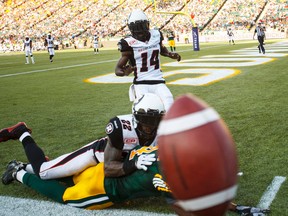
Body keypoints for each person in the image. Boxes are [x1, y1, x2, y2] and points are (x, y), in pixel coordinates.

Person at [1, 144, 269, 215]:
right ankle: (20, 173)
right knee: (65, 196)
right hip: (104, 190)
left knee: (65, 175)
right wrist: (235, 208)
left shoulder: (168, 150)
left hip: (102, 168)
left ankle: (25, 167)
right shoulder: (170, 177)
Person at [0, 93, 164, 180]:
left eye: (154, 120)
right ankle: (22, 132)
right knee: (43, 172)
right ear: (136, 118)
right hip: (94, 156)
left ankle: (21, 166)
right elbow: (109, 168)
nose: (150, 126)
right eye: (145, 121)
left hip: (117, 161)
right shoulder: (121, 128)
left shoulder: (164, 130)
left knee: (63, 175)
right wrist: (134, 164)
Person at [115, 9, 181, 111]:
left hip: (158, 80)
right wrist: (124, 72)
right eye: (136, 27)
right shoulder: (128, 43)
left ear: (147, 24)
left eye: (141, 26)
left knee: (169, 100)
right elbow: (118, 69)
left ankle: (169, 127)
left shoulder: (156, 35)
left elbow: (162, 49)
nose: (140, 30)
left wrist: (169, 54)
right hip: (141, 83)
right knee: (145, 110)